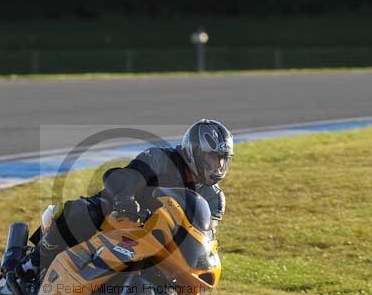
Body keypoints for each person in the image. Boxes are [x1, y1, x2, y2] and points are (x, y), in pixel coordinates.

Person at [27, 119, 234, 277]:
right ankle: (32, 265)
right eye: (213, 158)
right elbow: (126, 177)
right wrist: (125, 198)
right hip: (121, 215)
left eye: (222, 161)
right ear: (195, 151)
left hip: (158, 242)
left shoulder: (214, 198)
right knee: (81, 212)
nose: (218, 167)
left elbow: (206, 236)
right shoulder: (161, 159)